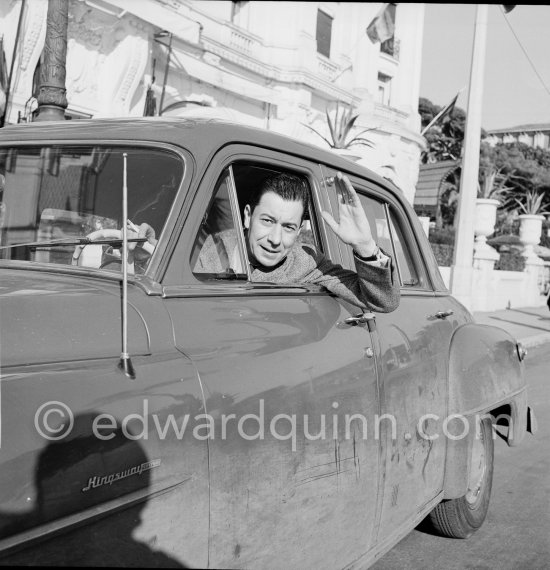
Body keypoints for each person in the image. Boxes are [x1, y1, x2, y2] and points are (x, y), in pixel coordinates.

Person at [194, 172, 400, 313]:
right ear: (248, 216)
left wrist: (364, 245)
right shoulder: (209, 250)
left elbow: (383, 302)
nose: (275, 239)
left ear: (299, 231)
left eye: (288, 227)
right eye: (267, 221)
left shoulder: (306, 261)